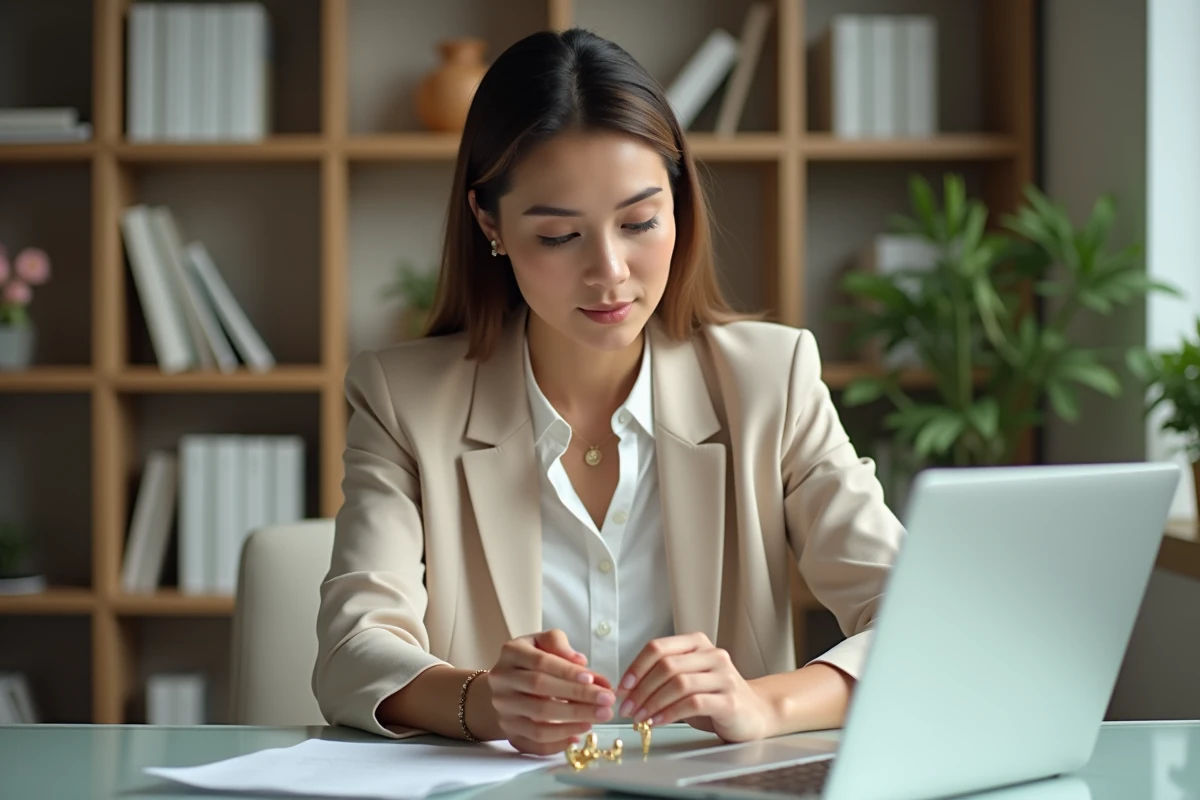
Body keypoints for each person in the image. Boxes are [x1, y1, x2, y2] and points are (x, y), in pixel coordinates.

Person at [312, 27, 905, 757]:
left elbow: (917, 622)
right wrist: (482, 701)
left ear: (678, 202)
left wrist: (762, 702)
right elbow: (351, 652)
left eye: (640, 222)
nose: (611, 272)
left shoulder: (769, 380)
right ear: (490, 222)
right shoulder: (404, 399)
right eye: (561, 236)